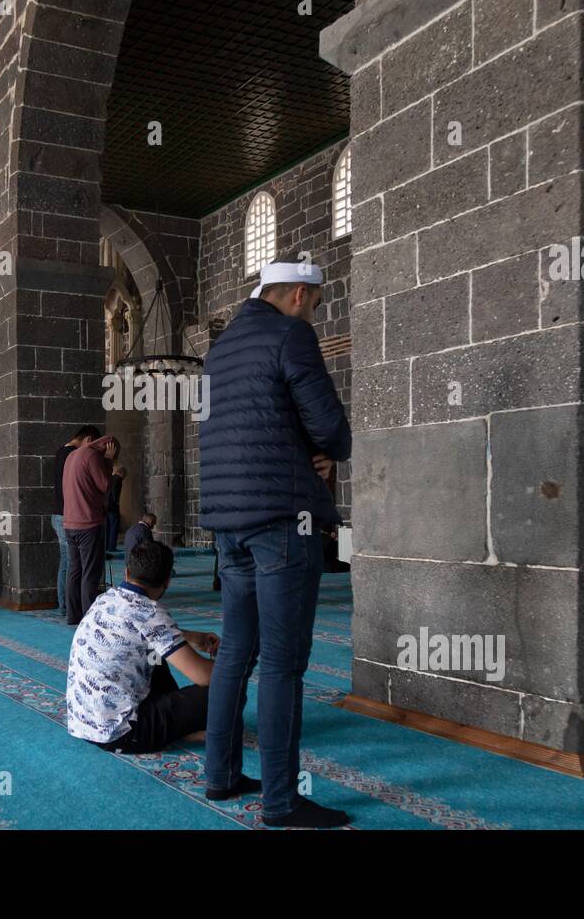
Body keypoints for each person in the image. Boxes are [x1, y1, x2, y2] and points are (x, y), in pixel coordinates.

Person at [199, 255, 353, 828]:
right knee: (284, 664)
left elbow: (245, 429)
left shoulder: (218, 353)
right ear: (295, 296)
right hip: (283, 521)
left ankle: (220, 774)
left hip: (227, 526)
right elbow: (333, 431)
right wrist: (323, 452)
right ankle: (282, 803)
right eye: (314, 304)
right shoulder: (291, 335)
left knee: (237, 653)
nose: (313, 314)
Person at [67, 540, 235, 759]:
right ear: (167, 581)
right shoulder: (151, 613)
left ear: (127, 573)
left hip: (85, 723)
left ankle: (175, 720)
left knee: (154, 655)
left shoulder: (106, 598)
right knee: (227, 689)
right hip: (125, 733)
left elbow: (139, 632)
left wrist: (191, 638)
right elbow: (205, 676)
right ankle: (179, 729)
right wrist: (236, 658)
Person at [62, 434, 120, 625]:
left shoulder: (72, 455)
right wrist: (109, 461)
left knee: (75, 570)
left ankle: (73, 615)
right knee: (90, 573)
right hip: (88, 523)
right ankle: (89, 618)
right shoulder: (93, 456)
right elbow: (104, 485)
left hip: (70, 523)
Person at [51, 425, 100, 612]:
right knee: (72, 564)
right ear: (87, 439)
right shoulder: (73, 454)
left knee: (67, 563)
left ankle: (67, 606)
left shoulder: (61, 452)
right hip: (68, 515)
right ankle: (67, 606)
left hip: (59, 513)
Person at [105, 465, 126, 552]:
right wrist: (116, 501)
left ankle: (106, 546)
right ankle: (112, 547)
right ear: (121, 473)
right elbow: (115, 492)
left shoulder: (109, 478)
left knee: (107, 527)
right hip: (113, 507)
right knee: (114, 527)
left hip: (106, 506)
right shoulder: (118, 479)